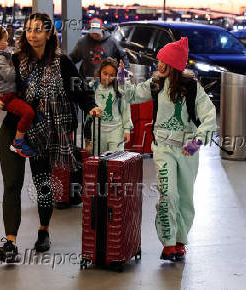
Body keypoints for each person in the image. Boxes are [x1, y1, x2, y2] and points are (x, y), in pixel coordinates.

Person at [0, 13, 102, 263]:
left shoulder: (62, 63)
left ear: (49, 34)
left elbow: (80, 88)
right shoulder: (15, 60)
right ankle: (10, 243)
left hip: (45, 130)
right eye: (29, 30)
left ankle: (44, 230)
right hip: (14, 128)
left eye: (38, 30)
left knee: (42, 183)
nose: (32, 34)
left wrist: (91, 106)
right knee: (12, 185)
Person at [118, 37, 217, 261]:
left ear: (173, 65)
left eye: (163, 62)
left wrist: (197, 142)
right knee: (168, 194)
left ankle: (180, 241)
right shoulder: (156, 83)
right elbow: (131, 95)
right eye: (158, 61)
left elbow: (209, 117)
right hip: (162, 148)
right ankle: (168, 242)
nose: (158, 65)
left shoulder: (192, 88)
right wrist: (122, 78)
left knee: (185, 198)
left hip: (187, 151)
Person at [70, 17, 130, 152]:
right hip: (89, 85)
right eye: (92, 32)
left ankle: (111, 137)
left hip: (109, 83)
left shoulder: (112, 41)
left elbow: (123, 56)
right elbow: (72, 59)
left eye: (96, 32)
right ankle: (89, 141)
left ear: (102, 29)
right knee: (90, 116)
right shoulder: (83, 42)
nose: (94, 34)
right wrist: (73, 77)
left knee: (111, 109)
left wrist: (125, 72)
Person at [0, 21, 36, 158]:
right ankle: (18, 143)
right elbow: (9, 76)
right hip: (8, 98)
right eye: (5, 41)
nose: (8, 44)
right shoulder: (0, 59)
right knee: (28, 113)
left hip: (7, 98)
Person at [89, 57, 132, 153]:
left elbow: (126, 109)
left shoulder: (119, 89)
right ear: (100, 71)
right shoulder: (92, 86)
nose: (107, 77)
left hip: (116, 131)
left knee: (115, 162)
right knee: (99, 163)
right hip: (97, 131)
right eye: (105, 73)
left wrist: (127, 129)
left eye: (112, 75)